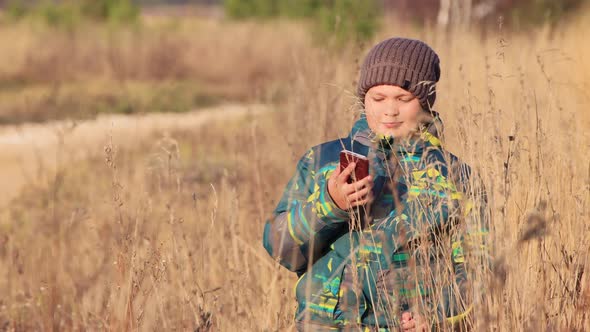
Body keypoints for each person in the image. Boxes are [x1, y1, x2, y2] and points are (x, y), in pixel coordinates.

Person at [263, 37, 489, 331]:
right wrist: (330, 204)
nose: (389, 111)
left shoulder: (455, 175)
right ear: (363, 99)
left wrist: (436, 316)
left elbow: (479, 269)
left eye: (403, 99)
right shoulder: (322, 161)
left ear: (426, 100)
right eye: (378, 98)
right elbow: (281, 249)